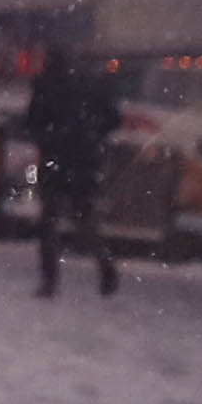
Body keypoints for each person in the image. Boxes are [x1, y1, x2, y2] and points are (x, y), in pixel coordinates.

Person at [30, 45, 125, 298]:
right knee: (84, 218)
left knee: (49, 221)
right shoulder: (92, 86)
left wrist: (48, 139)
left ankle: (49, 280)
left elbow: (33, 120)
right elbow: (114, 119)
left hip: (55, 160)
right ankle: (105, 266)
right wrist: (92, 138)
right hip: (84, 160)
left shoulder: (45, 85)